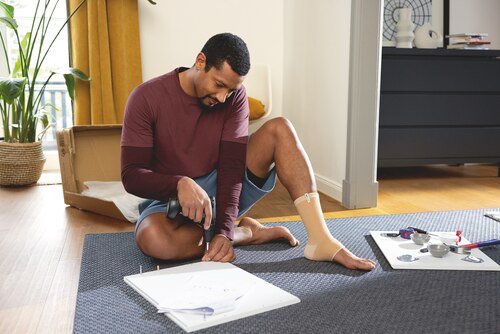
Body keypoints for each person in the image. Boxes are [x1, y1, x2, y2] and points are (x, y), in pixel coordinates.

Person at [121, 33, 375, 271]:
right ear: (200, 62)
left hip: (221, 188)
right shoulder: (145, 98)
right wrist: (180, 184)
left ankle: (321, 239)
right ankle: (244, 233)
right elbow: (131, 175)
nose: (222, 98)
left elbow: (232, 167)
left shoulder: (235, 97)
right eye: (218, 84)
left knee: (280, 128)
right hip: (170, 199)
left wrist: (222, 231)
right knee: (154, 240)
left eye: (230, 90)